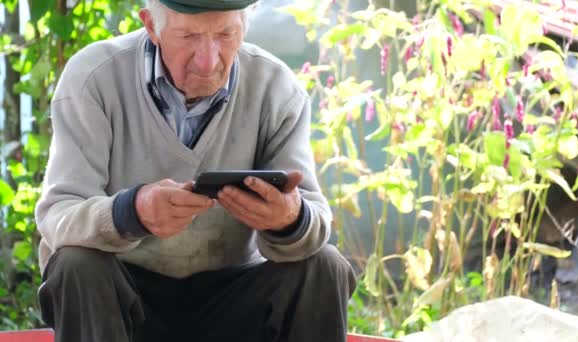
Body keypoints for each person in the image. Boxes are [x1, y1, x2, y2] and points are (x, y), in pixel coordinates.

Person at [34, 0, 356, 341]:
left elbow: (315, 219)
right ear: (151, 26)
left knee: (323, 265)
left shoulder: (276, 87)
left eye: (225, 34)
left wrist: (289, 219)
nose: (208, 60)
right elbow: (58, 215)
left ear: (244, 26)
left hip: (233, 298)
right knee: (76, 264)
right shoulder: (93, 78)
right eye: (188, 36)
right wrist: (130, 212)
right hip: (123, 297)